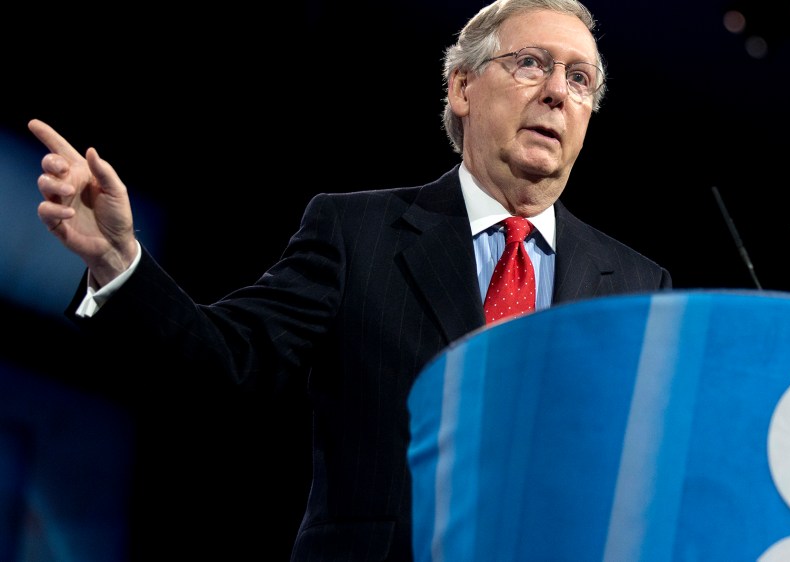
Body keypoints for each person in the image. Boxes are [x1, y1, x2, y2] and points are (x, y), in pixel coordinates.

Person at [29, 0, 672, 559]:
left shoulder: (640, 287)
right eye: (531, 63)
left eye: (580, 78)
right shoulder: (356, 232)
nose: (558, 91)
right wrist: (118, 263)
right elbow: (228, 358)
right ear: (462, 88)